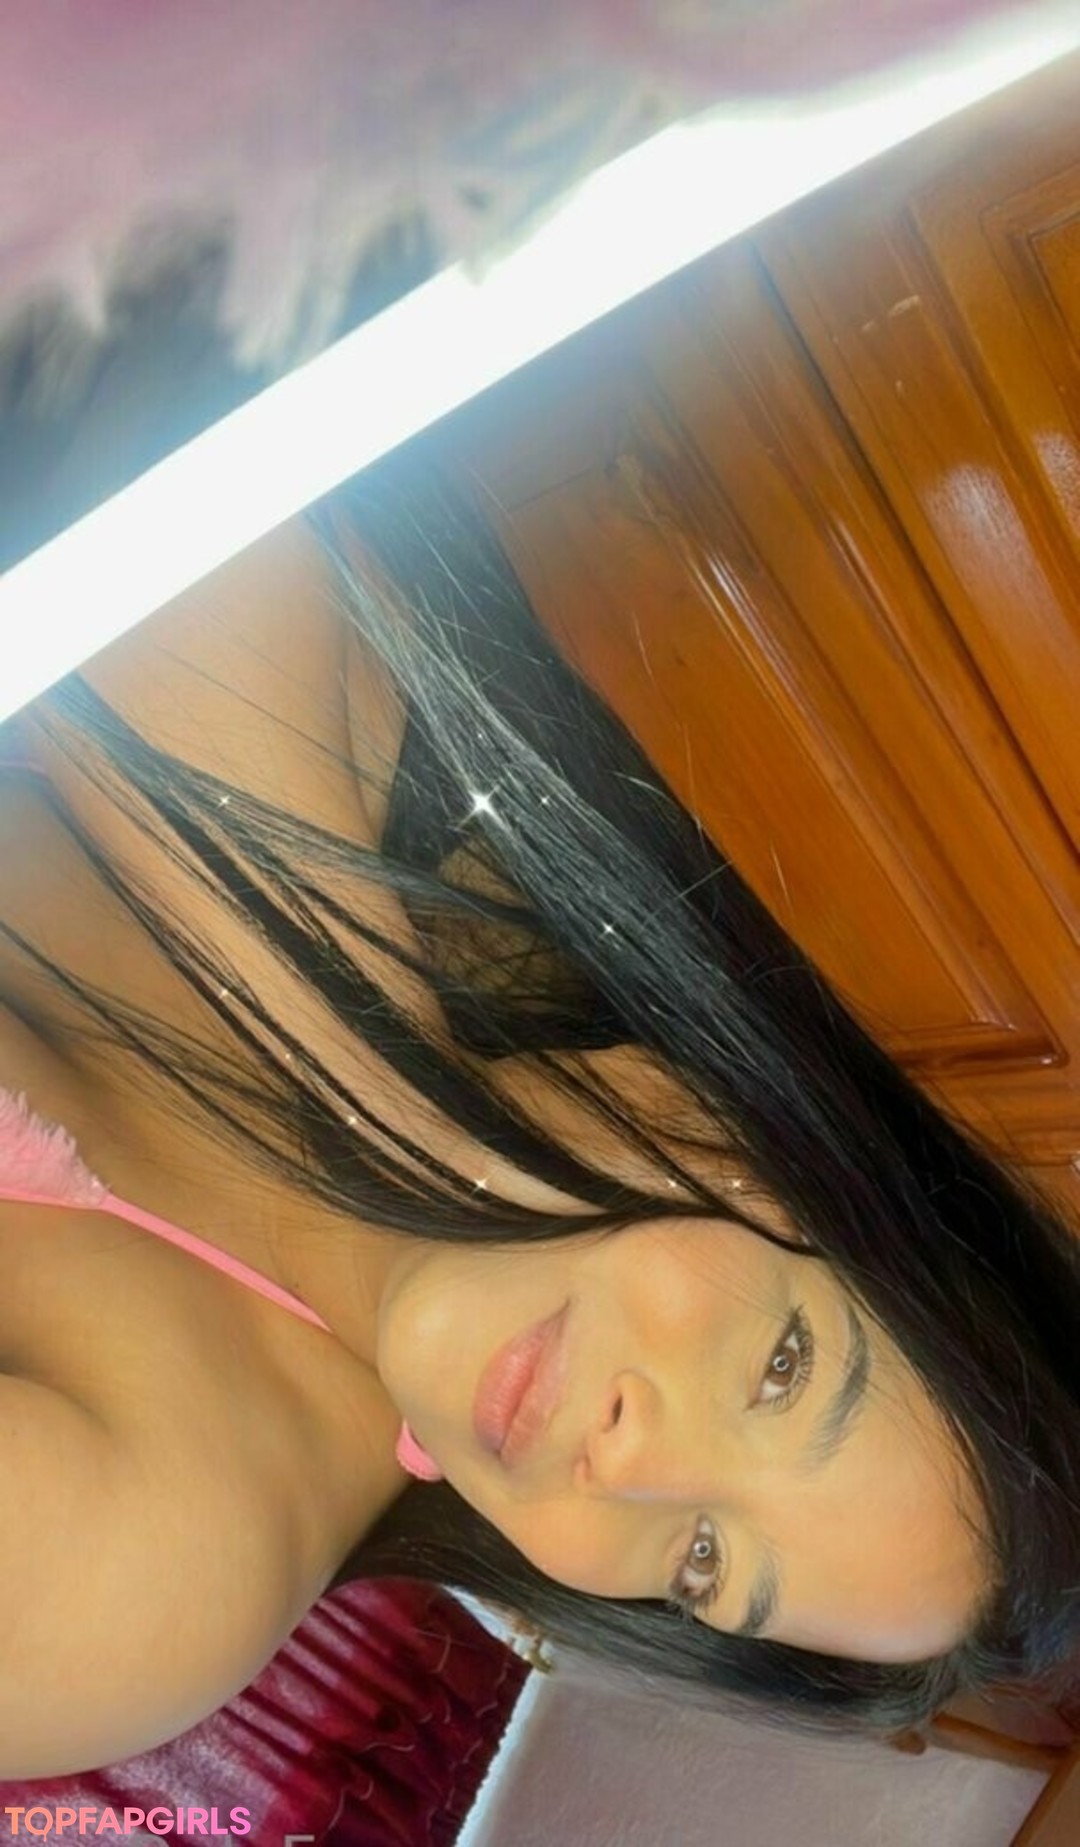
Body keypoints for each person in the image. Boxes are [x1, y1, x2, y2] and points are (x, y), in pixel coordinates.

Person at [2, 440, 1079, 1782]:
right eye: (783, 1369)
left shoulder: (155, 1575)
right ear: (762, 1133)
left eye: (701, 1561)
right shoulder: (434, 770)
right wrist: (388, 1116)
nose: (630, 1469)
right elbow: (121, 446)